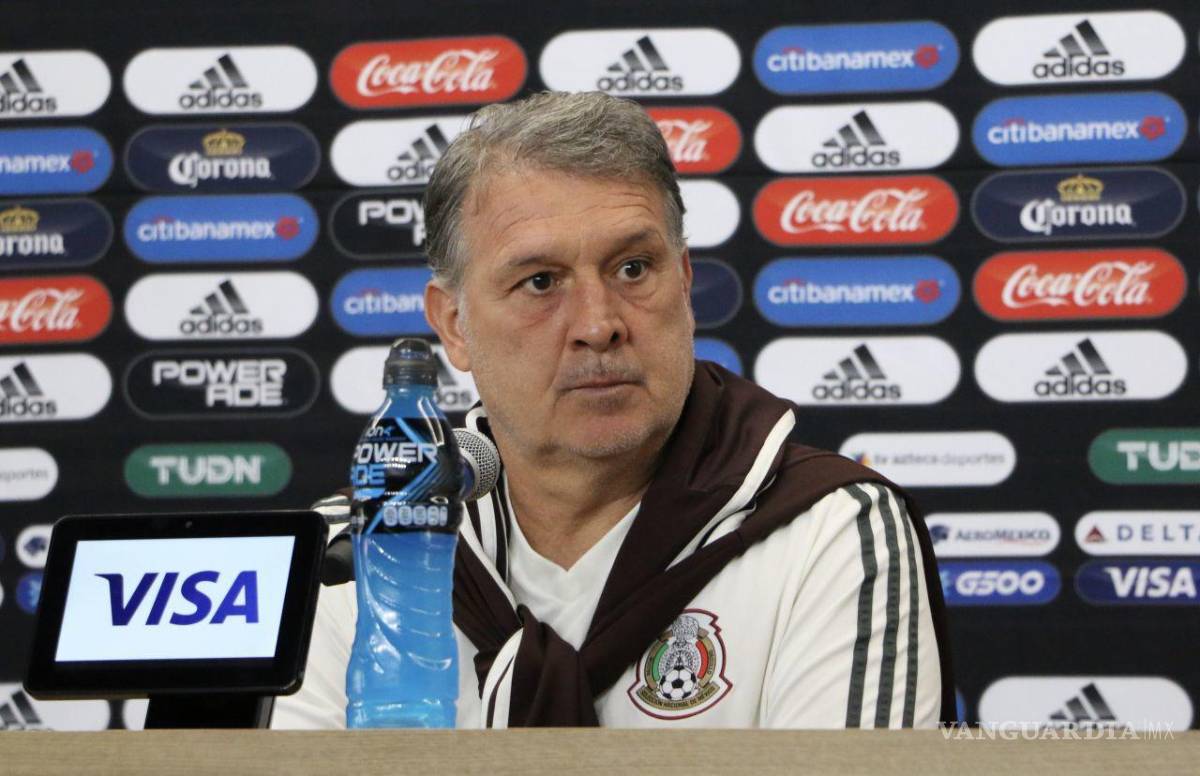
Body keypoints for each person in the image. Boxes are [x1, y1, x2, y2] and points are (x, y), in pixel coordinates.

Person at [273, 91, 953, 729]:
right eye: (540, 282)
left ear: (683, 282)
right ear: (453, 325)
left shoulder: (828, 530)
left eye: (633, 268)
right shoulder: (348, 552)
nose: (599, 325)